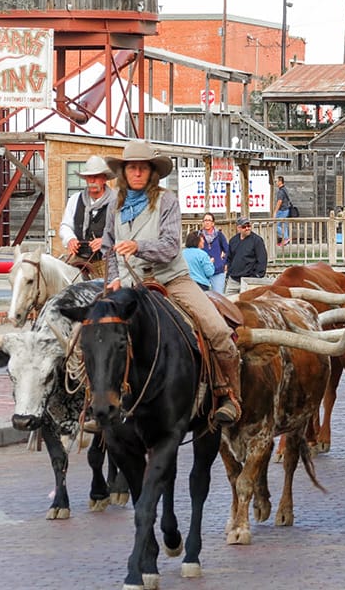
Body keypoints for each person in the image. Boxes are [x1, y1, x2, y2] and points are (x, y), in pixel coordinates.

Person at [103, 139, 242, 425]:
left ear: (152, 172)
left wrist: (137, 246)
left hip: (171, 279)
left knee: (216, 329)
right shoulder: (113, 205)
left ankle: (228, 394)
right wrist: (113, 277)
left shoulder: (167, 200)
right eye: (132, 168)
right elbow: (107, 246)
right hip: (131, 285)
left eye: (143, 168)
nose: (137, 173)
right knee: (94, 333)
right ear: (124, 172)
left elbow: (169, 246)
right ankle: (100, 401)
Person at [59, 155, 116, 279]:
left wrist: (105, 241)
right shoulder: (75, 199)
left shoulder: (117, 202)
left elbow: (123, 233)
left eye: (96, 176)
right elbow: (66, 225)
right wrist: (70, 239)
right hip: (79, 258)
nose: (92, 180)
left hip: (106, 259)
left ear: (104, 179)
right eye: (89, 177)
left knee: (109, 291)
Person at [225, 216, 268, 296]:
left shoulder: (257, 240)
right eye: (244, 226)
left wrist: (257, 276)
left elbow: (262, 260)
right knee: (228, 303)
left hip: (248, 279)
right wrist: (229, 272)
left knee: (245, 305)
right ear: (239, 228)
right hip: (233, 279)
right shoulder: (233, 240)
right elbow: (229, 258)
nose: (247, 228)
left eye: (249, 226)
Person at [199, 212, 229, 293]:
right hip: (203, 272)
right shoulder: (199, 235)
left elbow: (227, 250)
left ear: (213, 223)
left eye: (209, 220)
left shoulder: (219, 235)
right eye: (205, 220)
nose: (207, 222)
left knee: (218, 297)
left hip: (217, 271)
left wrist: (224, 263)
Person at [273, 176, 292, 246]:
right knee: (284, 225)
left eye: (276, 181)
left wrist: (275, 211)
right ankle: (285, 240)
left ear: (280, 181)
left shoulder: (281, 191)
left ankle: (286, 238)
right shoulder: (285, 189)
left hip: (282, 210)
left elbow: (279, 202)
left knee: (275, 225)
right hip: (286, 210)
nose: (275, 183)